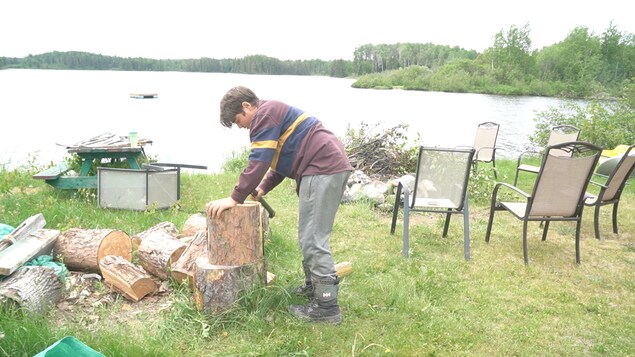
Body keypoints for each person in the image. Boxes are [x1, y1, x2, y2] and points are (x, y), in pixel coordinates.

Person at [206, 86, 352, 324]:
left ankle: (327, 307)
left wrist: (235, 197)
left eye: (238, 120)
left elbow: (260, 159)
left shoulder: (265, 114)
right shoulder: (272, 114)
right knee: (309, 235)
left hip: (322, 168)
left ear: (246, 106)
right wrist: (263, 187)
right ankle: (313, 287)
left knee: (313, 238)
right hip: (325, 165)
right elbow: (281, 158)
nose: (240, 126)